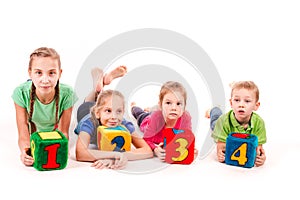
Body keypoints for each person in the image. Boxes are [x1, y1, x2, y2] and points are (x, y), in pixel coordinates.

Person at [74, 66, 153, 170]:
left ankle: (101, 86)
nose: (114, 117)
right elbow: (80, 153)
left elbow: (147, 151)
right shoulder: (89, 123)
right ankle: (96, 89)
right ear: (97, 113)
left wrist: (121, 156)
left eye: (118, 111)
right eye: (108, 111)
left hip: (100, 107)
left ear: (123, 112)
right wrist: (114, 155)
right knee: (89, 101)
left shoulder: (123, 123)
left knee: (104, 101)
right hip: (85, 111)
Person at [12, 47, 78, 166]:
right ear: (30, 73)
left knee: (89, 107)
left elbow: (63, 132)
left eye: (52, 73)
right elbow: (23, 131)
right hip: (35, 131)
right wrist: (26, 151)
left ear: (60, 73)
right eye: (38, 72)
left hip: (54, 128)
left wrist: (62, 147)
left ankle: (99, 85)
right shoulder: (20, 93)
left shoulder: (68, 94)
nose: (45, 79)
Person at [131, 81, 198, 162]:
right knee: (139, 113)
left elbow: (187, 139)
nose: (174, 107)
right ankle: (134, 106)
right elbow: (146, 139)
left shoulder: (185, 118)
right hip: (146, 120)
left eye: (178, 103)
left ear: (184, 107)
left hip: (160, 112)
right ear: (160, 105)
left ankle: (151, 108)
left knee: (154, 111)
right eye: (168, 103)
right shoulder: (155, 118)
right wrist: (155, 149)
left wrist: (191, 151)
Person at [206, 81, 266, 167]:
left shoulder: (259, 123)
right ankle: (214, 110)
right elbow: (221, 145)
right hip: (221, 125)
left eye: (247, 101)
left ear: (256, 105)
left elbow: (258, 147)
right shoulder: (223, 122)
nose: (241, 105)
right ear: (231, 103)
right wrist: (220, 154)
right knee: (214, 122)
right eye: (237, 100)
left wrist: (261, 157)